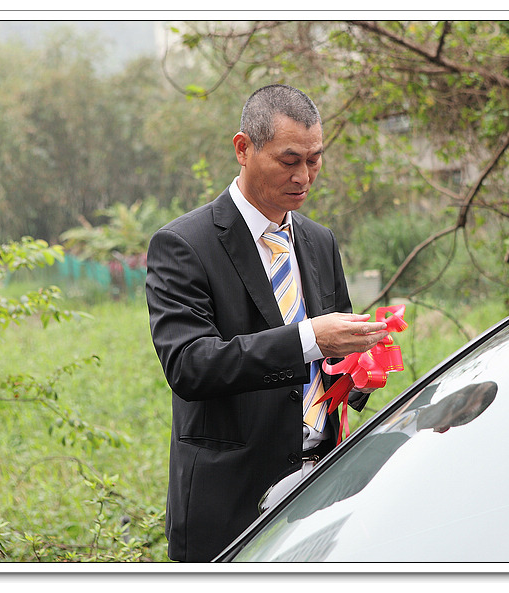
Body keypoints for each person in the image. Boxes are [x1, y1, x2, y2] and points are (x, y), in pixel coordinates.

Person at [145, 84, 389, 562]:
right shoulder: (184, 244)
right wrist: (308, 339)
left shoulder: (319, 241)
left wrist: (359, 363)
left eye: (314, 160)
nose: (304, 176)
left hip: (323, 493)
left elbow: (332, 361)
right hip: (233, 504)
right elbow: (190, 365)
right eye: (288, 159)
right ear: (243, 148)